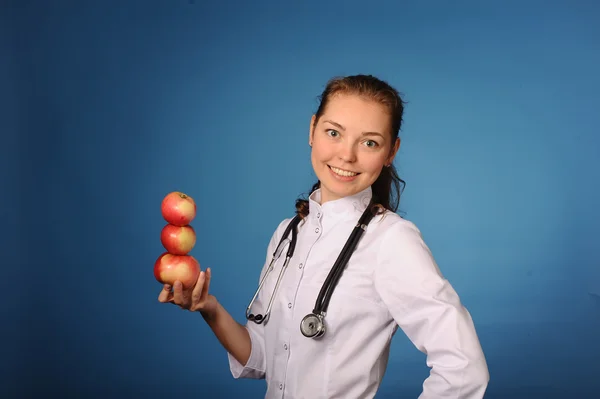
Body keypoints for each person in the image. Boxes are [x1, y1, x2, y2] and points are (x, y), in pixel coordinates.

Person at [158, 74, 490, 398]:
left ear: (391, 152)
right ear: (312, 130)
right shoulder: (287, 234)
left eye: (369, 142)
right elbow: (262, 359)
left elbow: (464, 368)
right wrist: (210, 309)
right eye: (334, 132)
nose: (347, 155)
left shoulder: (391, 240)